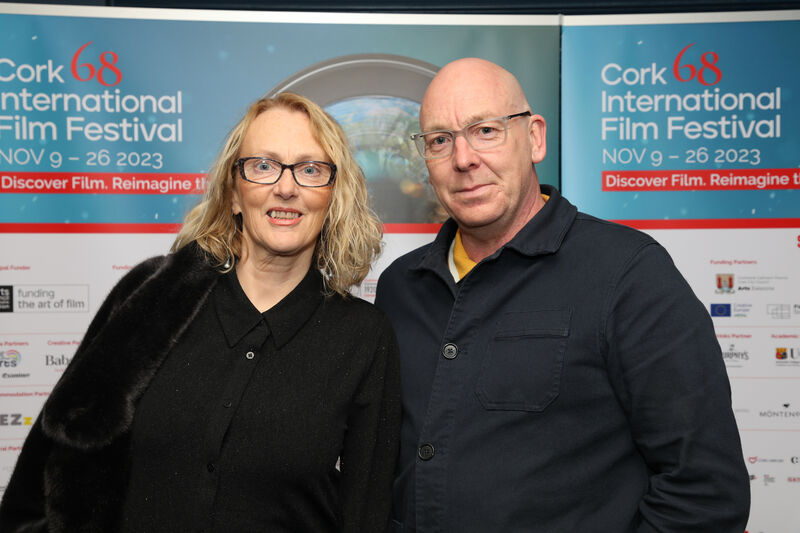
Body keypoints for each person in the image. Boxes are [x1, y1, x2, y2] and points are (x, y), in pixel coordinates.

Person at [375, 58, 750, 532]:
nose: (464, 158)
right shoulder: (400, 287)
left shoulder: (629, 274)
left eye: (485, 130)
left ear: (534, 138)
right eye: (439, 140)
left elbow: (706, 491)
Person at [0, 92, 401, 533]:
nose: (286, 187)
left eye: (310, 169)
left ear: (333, 196)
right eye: (263, 165)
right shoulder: (154, 295)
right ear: (233, 192)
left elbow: (367, 511)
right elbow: (54, 460)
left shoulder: (363, 337)